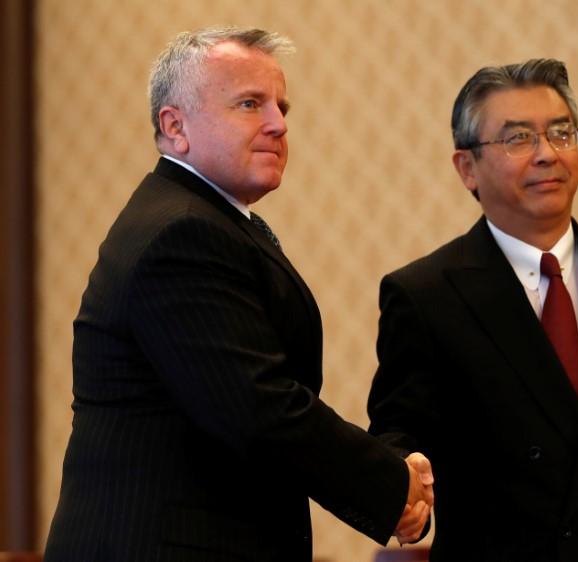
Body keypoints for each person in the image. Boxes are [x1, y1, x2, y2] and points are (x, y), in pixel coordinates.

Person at [44, 27, 432, 562]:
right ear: (175, 127)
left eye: (281, 106)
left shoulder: (203, 220)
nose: (278, 124)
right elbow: (259, 408)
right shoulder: (180, 234)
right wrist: (393, 488)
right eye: (250, 104)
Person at [368, 59, 578, 561]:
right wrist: (404, 478)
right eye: (518, 139)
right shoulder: (426, 294)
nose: (548, 154)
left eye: (561, 133)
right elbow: (399, 431)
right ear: (467, 168)